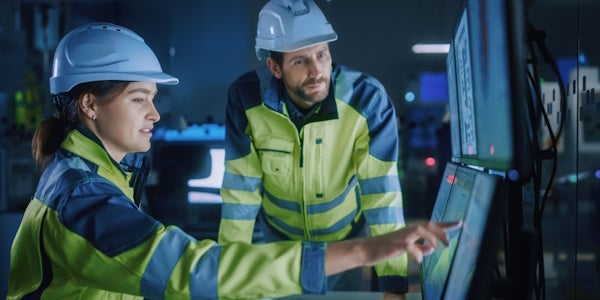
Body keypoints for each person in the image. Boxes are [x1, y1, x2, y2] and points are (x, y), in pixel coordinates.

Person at [7, 22, 461, 299]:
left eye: (153, 98)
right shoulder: (82, 200)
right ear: (89, 104)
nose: (155, 114)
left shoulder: (92, 176)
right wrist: (367, 250)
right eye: (139, 98)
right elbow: (191, 270)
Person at [218, 0, 409, 296]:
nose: (317, 70)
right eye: (300, 61)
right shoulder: (245, 99)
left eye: (322, 54)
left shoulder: (367, 100)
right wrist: (228, 279)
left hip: (344, 244)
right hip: (278, 245)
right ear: (274, 67)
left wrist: (394, 284)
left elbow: (382, 195)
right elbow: (239, 195)